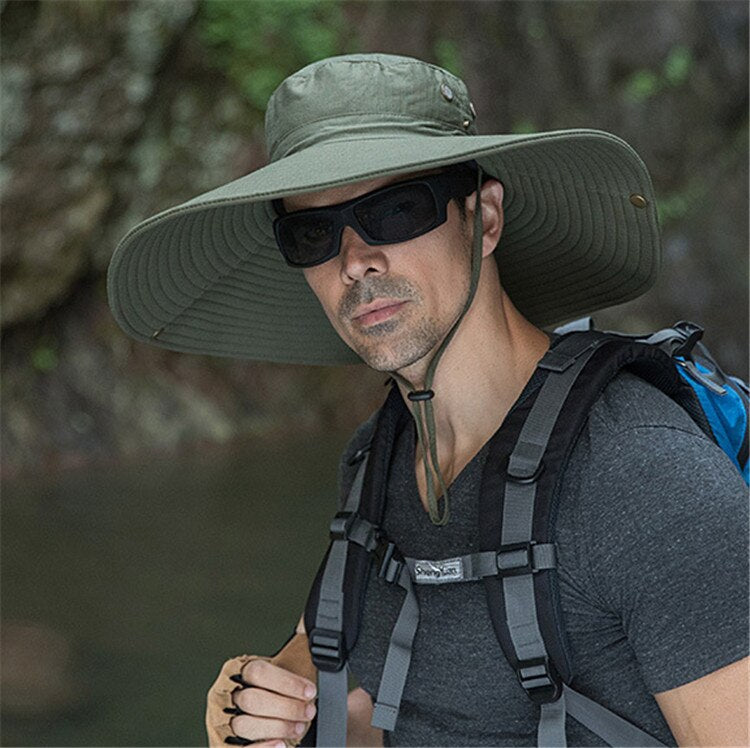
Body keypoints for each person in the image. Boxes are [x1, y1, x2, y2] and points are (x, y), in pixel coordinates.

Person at [107, 54, 749, 747]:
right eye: (313, 235)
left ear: (485, 218)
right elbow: (342, 681)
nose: (355, 262)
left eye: (392, 212)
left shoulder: (644, 475)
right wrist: (259, 701)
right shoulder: (377, 461)